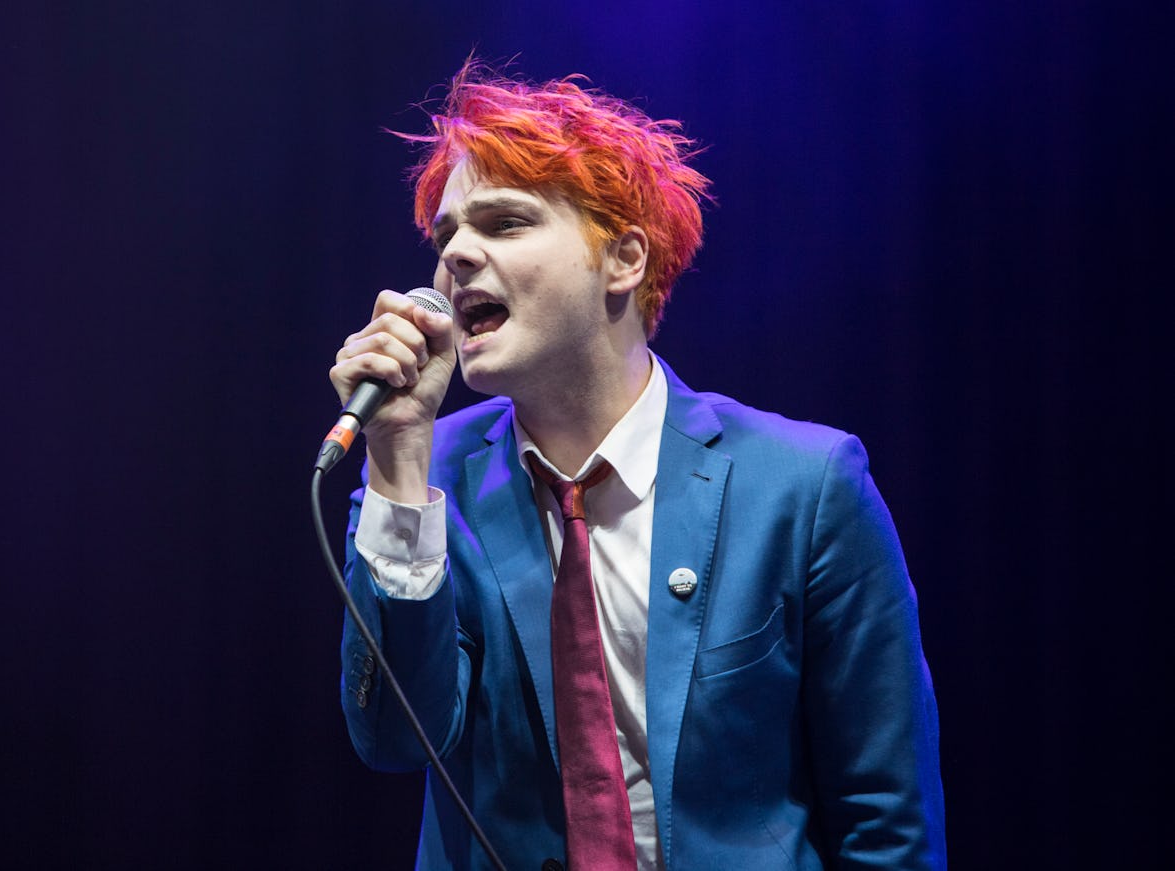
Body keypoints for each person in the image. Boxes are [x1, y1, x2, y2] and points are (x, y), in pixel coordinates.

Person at [329, 63, 946, 871]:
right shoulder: (418, 476)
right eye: (445, 237)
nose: (456, 260)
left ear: (622, 260)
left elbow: (885, 818)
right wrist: (400, 466)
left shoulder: (805, 484)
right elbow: (393, 739)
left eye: (504, 223)